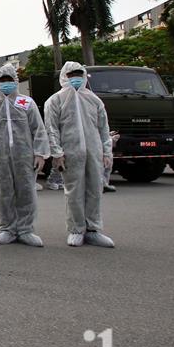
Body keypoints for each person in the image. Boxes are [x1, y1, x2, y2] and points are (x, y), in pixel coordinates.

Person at [0, 64, 49, 247]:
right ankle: (7, 228)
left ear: (15, 81)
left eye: (9, 80)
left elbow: (38, 129)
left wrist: (40, 153)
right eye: (3, 80)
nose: (6, 84)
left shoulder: (26, 103)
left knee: (26, 192)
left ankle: (26, 230)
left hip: (24, 156)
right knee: (4, 193)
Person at [44, 62, 115, 247]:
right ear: (64, 77)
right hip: (71, 154)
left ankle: (93, 230)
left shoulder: (94, 100)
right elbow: (51, 129)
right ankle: (76, 230)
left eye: (78, 74)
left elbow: (103, 129)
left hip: (94, 153)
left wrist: (107, 152)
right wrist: (57, 153)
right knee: (73, 192)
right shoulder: (55, 101)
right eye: (71, 74)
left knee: (95, 190)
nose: (75, 77)